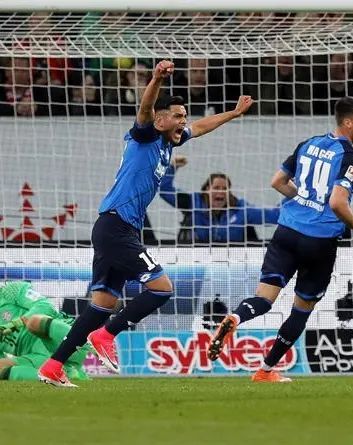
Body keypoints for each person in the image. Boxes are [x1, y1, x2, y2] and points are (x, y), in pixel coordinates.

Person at [37, 60, 254, 387]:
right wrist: (155, 79)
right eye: (178, 116)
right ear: (161, 119)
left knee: (102, 304)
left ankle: (53, 366)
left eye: (184, 116)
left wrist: (233, 114)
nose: (184, 122)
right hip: (116, 227)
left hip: (116, 228)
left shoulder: (171, 141)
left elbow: (204, 126)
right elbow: (145, 107)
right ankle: (107, 336)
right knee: (161, 288)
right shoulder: (144, 135)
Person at [207, 97, 353, 383]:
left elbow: (277, 182)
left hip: (286, 233)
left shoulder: (308, 144)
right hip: (319, 242)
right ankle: (265, 370)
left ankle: (235, 318)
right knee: (301, 308)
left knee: (264, 298)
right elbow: (337, 202)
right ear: (349, 122)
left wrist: (304, 201)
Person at [0, 270, 93, 382]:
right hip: (41, 359)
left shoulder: (11, 291)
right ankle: (65, 375)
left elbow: (46, 306)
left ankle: (92, 345)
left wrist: (14, 324)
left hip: (65, 341)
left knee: (34, 322)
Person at [158, 155, 280, 244]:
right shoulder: (193, 202)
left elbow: (274, 216)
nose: (220, 191)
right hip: (197, 258)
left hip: (235, 260)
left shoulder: (241, 209)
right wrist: (172, 167)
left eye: (225, 188)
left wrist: (293, 192)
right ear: (206, 189)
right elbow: (164, 190)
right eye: (216, 187)